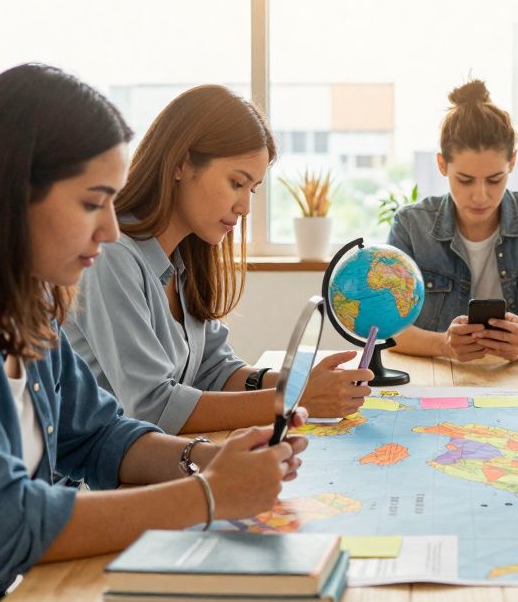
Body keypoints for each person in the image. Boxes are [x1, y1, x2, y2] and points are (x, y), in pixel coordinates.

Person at [0, 64, 307, 602]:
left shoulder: (26, 301)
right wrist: (208, 495)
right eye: (91, 203)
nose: (111, 230)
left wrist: (207, 458)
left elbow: (99, 434)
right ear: (13, 194)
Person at [66, 85, 371, 435]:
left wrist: (300, 384)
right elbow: (153, 408)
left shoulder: (184, 257)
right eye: (237, 183)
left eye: (252, 189)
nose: (245, 207)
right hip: (102, 467)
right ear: (181, 164)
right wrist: (292, 398)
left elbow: (214, 370)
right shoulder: (110, 255)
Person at [388, 79, 518, 362]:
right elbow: (390, 326)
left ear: (512, 162)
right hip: (437, 374)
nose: (480, 195)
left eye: (495, 179)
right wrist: (443, 345)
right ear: (442, 164)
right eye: (465, 180)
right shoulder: (410, 225)